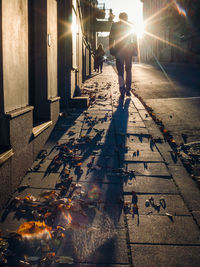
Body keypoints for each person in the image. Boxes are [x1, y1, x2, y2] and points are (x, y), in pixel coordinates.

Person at [109, 12, 137, 97]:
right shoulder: (131, 25)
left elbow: (111, 38)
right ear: (127, 18)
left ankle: (122, 89)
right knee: (128, 70)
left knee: (120, 71)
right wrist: (135, 50)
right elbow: (135, 38)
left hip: (119, 50)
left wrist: (111, 49)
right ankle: (128, 90)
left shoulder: (115, 25)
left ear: (119, 17)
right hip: (128, 50)